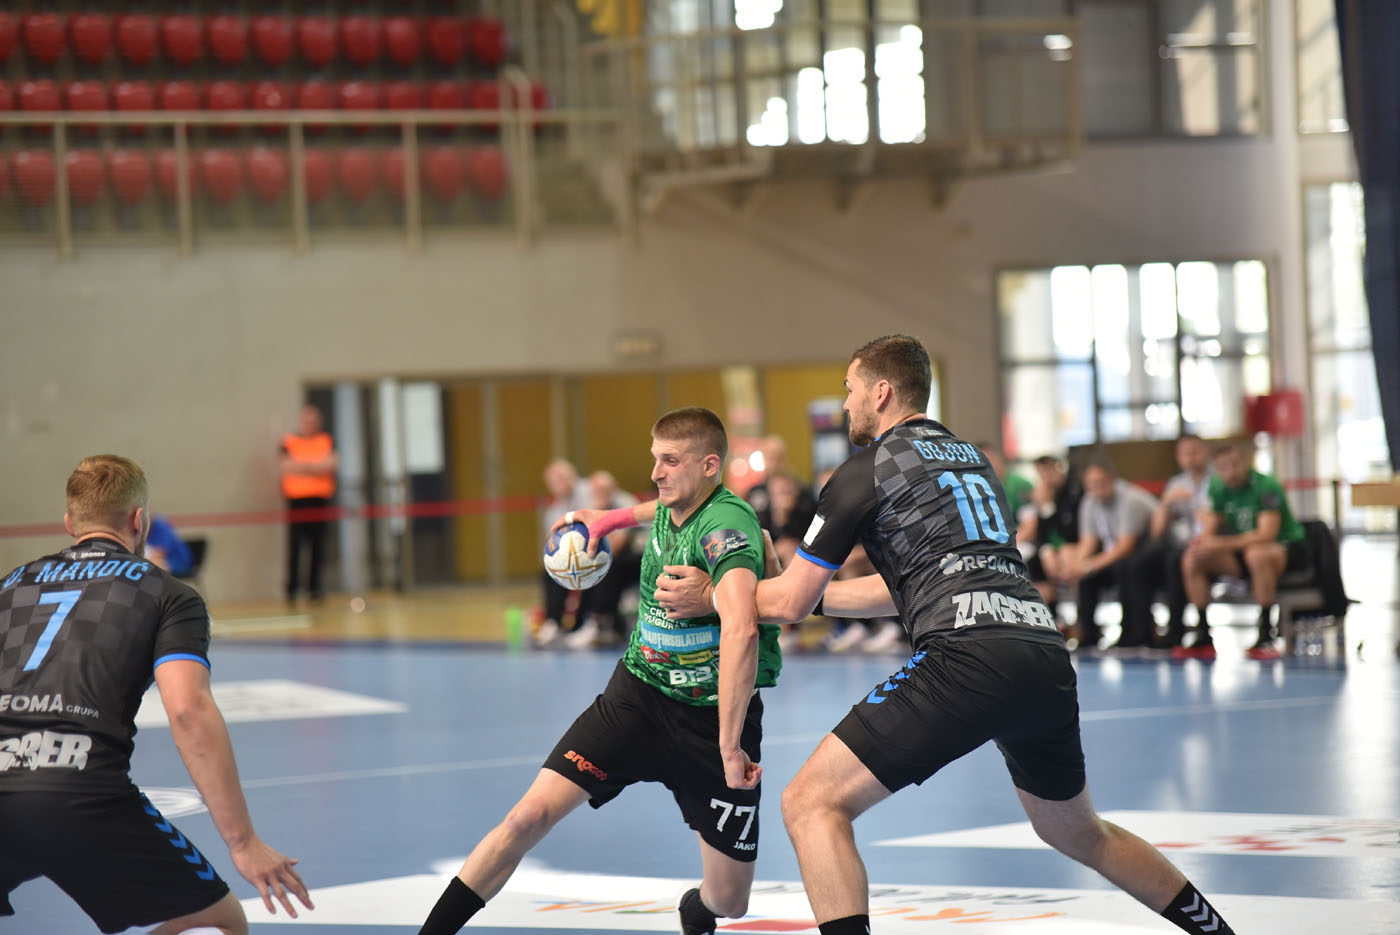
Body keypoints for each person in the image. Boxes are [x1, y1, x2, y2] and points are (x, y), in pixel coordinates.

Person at [655, 336, 1237, 935]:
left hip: (965, 658)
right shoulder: (971, 462)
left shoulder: (863, 472)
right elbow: (905, 588)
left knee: (811, 802)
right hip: (1041, 651)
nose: (846, 402)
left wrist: (713, 596)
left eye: (850, 389)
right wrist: (807, 596)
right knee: (1078, 831)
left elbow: (789, 602)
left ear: (881, 392)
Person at [417, 407, 782, 935]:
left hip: (714, 721)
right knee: (526, 817)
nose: (656, 473)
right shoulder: (676, 500)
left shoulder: (726, 528)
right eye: (655, 458)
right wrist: (608, 519)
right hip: (638, 697)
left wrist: (729, 747)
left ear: (709, 465)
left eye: (670, 461)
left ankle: (697, 909)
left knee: (730, 900)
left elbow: (743, 629)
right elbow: (656, 504)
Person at [0, 455, 312, 934]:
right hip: (80, 790)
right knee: (217, 921)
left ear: (69, 523)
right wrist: (243, 842)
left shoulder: (10, 587)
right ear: (138, 520)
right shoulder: (167, 594)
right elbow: (188, 711)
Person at [1178, 440, 1310, 661]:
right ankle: (1202, 632)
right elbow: (1211, 526)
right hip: (1241, 552)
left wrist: (1219, 543)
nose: (1231, 472)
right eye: (1224, 468)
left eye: (1235, 465)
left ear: (1246, 462)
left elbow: (1266, 534)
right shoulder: (1217, 487)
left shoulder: (1267, 486)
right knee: (1193, 557)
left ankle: (1266, 632)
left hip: (1284, 549)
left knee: (1257, 554)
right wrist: (1204, 541)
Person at [1124, 435, 1213, 649]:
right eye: (1185, 453)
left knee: (1175, 563)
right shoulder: (1176, 484)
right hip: (1175, 543)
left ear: (1205, 452)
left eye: (1195, 451)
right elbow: (1157, 532)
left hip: (1205, 544)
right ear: (1178, 457)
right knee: (1137, 564)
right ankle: (1142, 633)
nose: (1191, 457)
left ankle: (1175, 632)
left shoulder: (1217, 482)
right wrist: (1166, 502)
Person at [1061, 458, 1159, 651]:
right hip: (1118, 554)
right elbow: (1088, 542)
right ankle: (1088, 634)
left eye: (1101, 482)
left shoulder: (1130, 500)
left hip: (1150, 554)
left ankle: (1134, 633)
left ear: (1113, 480)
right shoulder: (1090, 501)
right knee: (1086, 576)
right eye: (1091, 484)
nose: (1097, 488)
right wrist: (1076, 567)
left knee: (1125, 567)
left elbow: (1125, 547)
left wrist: (1089, 566)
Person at [560, 470, 642, 650]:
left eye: (603, 490)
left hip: (643, 558)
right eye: (595, 490)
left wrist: (586, 558)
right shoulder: (591, 506)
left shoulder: (626, 504)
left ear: (613, 489)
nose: (599, 494)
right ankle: (565, 623)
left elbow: (617, 545)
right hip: (617, 559)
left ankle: (599, 622)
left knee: (606, 566)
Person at [280, 404, 337, 605]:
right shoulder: (289, 441)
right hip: (297, 501)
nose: (310, 424)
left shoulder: (326, 440)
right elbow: (286, 465)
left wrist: (302, 465)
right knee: (295, 547)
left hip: (319, 501)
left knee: (317, 546)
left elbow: (330, 464)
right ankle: (292, 589)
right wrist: (315, 465)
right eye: (306, 420)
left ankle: (314, 589)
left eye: (313, 421)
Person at [1025, 455, 1083, 612]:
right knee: (1034, 564)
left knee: (1069, 560)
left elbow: (1071, 530)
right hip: (1055, 552)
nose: (1046, 479)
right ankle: (1049, 615)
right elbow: (1042, 534)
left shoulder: (1074, 492)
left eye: (1048, 472)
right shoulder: (1044, 496)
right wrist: (1046, 551)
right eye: (1041, 474)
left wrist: (1049, 507)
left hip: (1075, 547)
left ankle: (1081, 616)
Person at [145, 513, 195, 578]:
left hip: (179, 562)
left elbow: (161, 553)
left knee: (152, 565)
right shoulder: (146, 529)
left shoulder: (161, 527)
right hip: (164, 560)